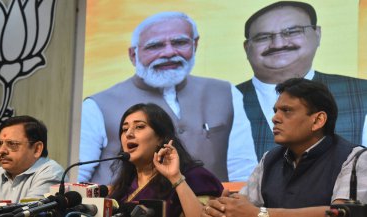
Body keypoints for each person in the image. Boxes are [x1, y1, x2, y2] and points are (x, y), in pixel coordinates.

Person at [79, 11, 257, 183]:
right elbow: (79, 175)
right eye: (155, 46)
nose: (169, 53)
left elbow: (242, 170)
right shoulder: (97, 105)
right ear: (133, 55)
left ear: (195, 45)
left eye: (180, 42)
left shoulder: (225, 92)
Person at [202, 78, 367, 217]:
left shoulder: (354, 158)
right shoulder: (269, 160)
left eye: (287, 111)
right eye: (275, 111)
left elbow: (342, 213)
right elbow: (245, 208)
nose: (275, 118)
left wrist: (261, 214)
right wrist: (224, 208)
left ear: (318, 120)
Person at [236, 1, 367, 160]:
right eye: (263, 37)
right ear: (246, 48)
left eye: (292, 31)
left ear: (317, 34)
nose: (278, 44)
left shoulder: (361, 93)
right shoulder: (225, 99)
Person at [110, 103, 223, 217]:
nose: (128, 134)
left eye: (139, 126)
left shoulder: (195, 177)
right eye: (124, 129)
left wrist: (176, 178)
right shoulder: (121, 190)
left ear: (160, 137)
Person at [0, 115, 65, 203]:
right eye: (0, 143)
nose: (1, 150)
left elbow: (28, 213)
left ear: (37, 149)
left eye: (12, 144)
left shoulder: (52, 173)